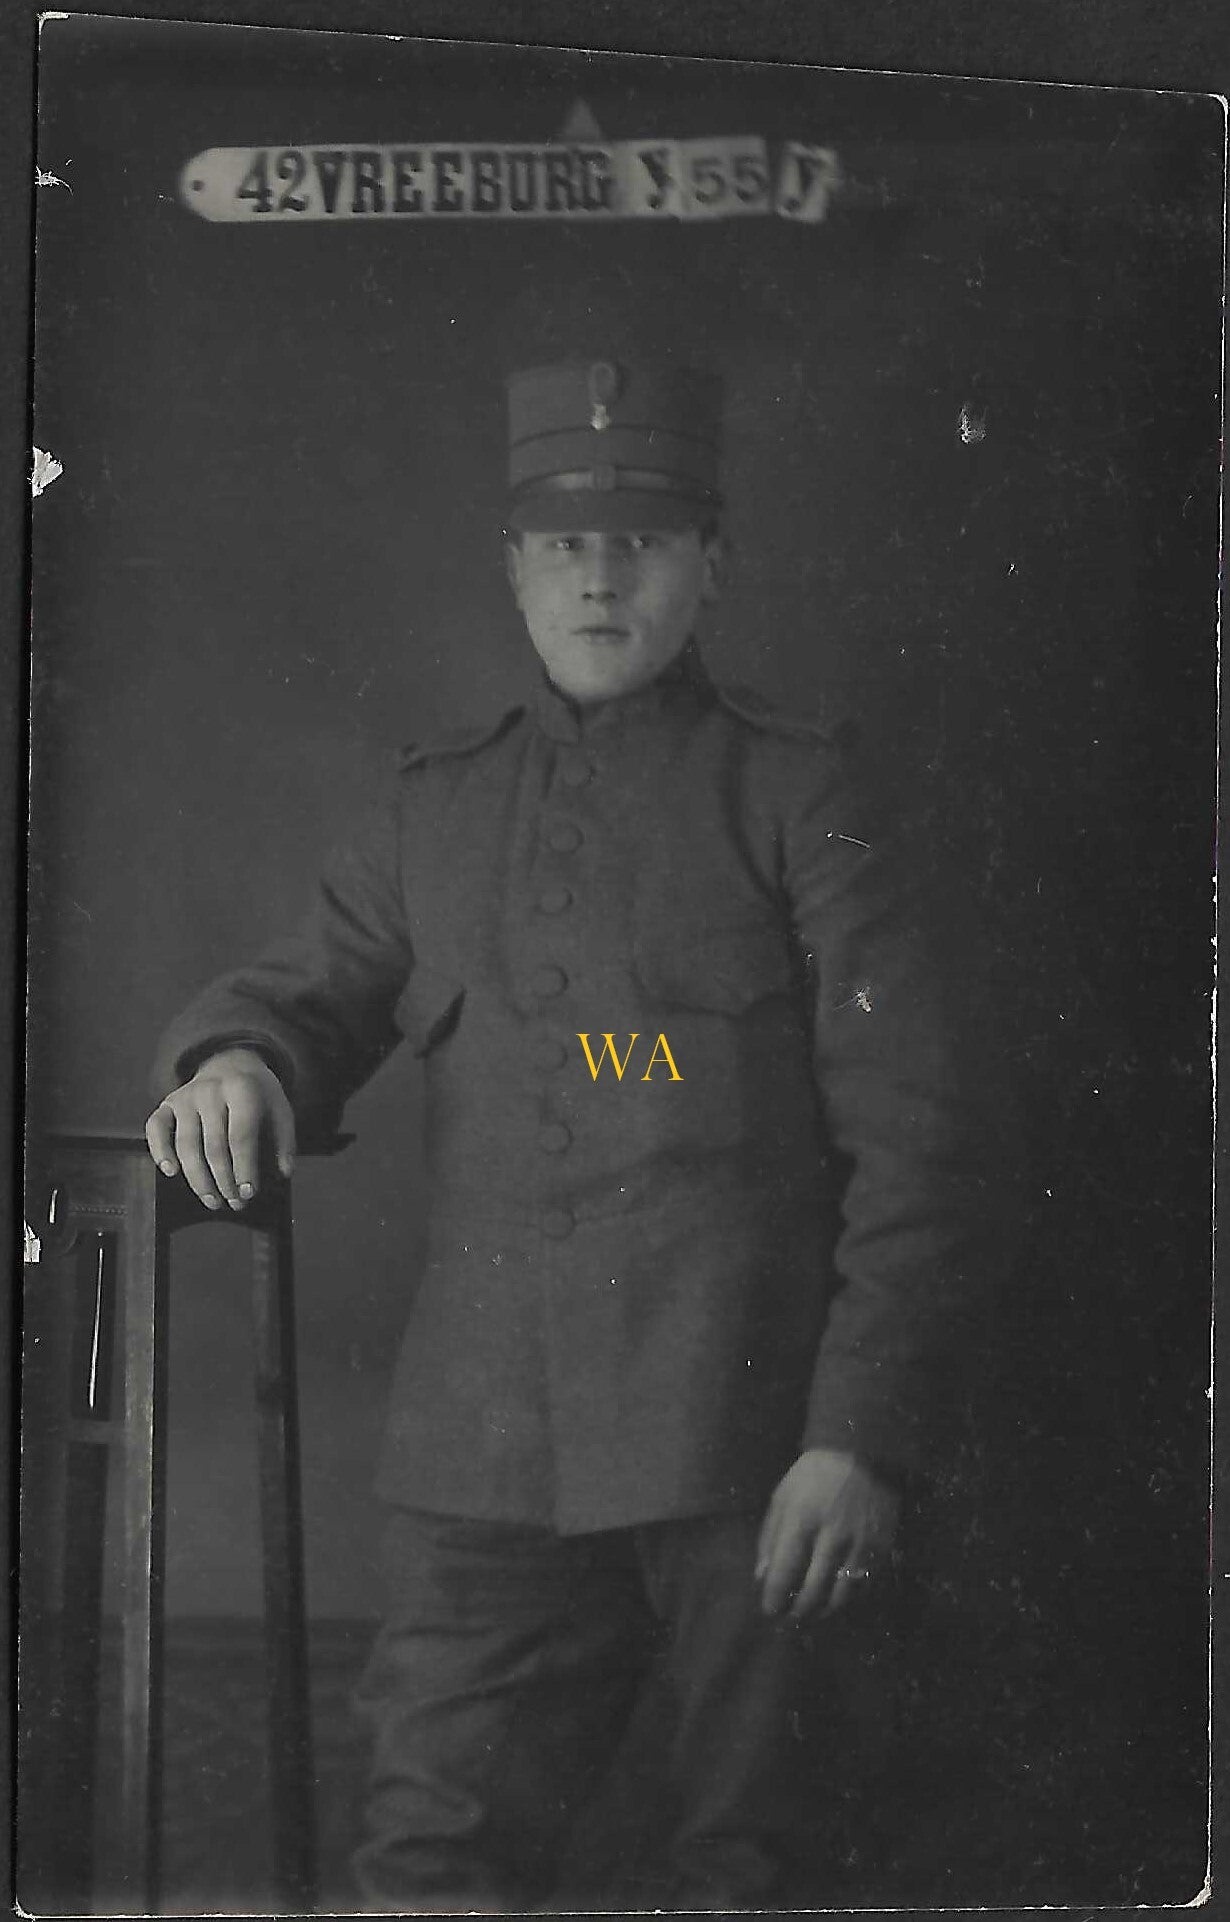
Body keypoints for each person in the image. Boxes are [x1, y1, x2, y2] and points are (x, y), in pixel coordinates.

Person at [146, 358, 1011, 1910]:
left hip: (749, 1447)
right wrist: (236, 1064)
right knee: (427, 1858)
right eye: (562, 542)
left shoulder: (799, 794)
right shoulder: (435, 809)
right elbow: (301, 992)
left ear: (711, 565)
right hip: (487, 1454)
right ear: (513, 568)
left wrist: (855, 1432)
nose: (599, 573)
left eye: (644, 538)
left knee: (757, 1866)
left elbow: (916, 1141)